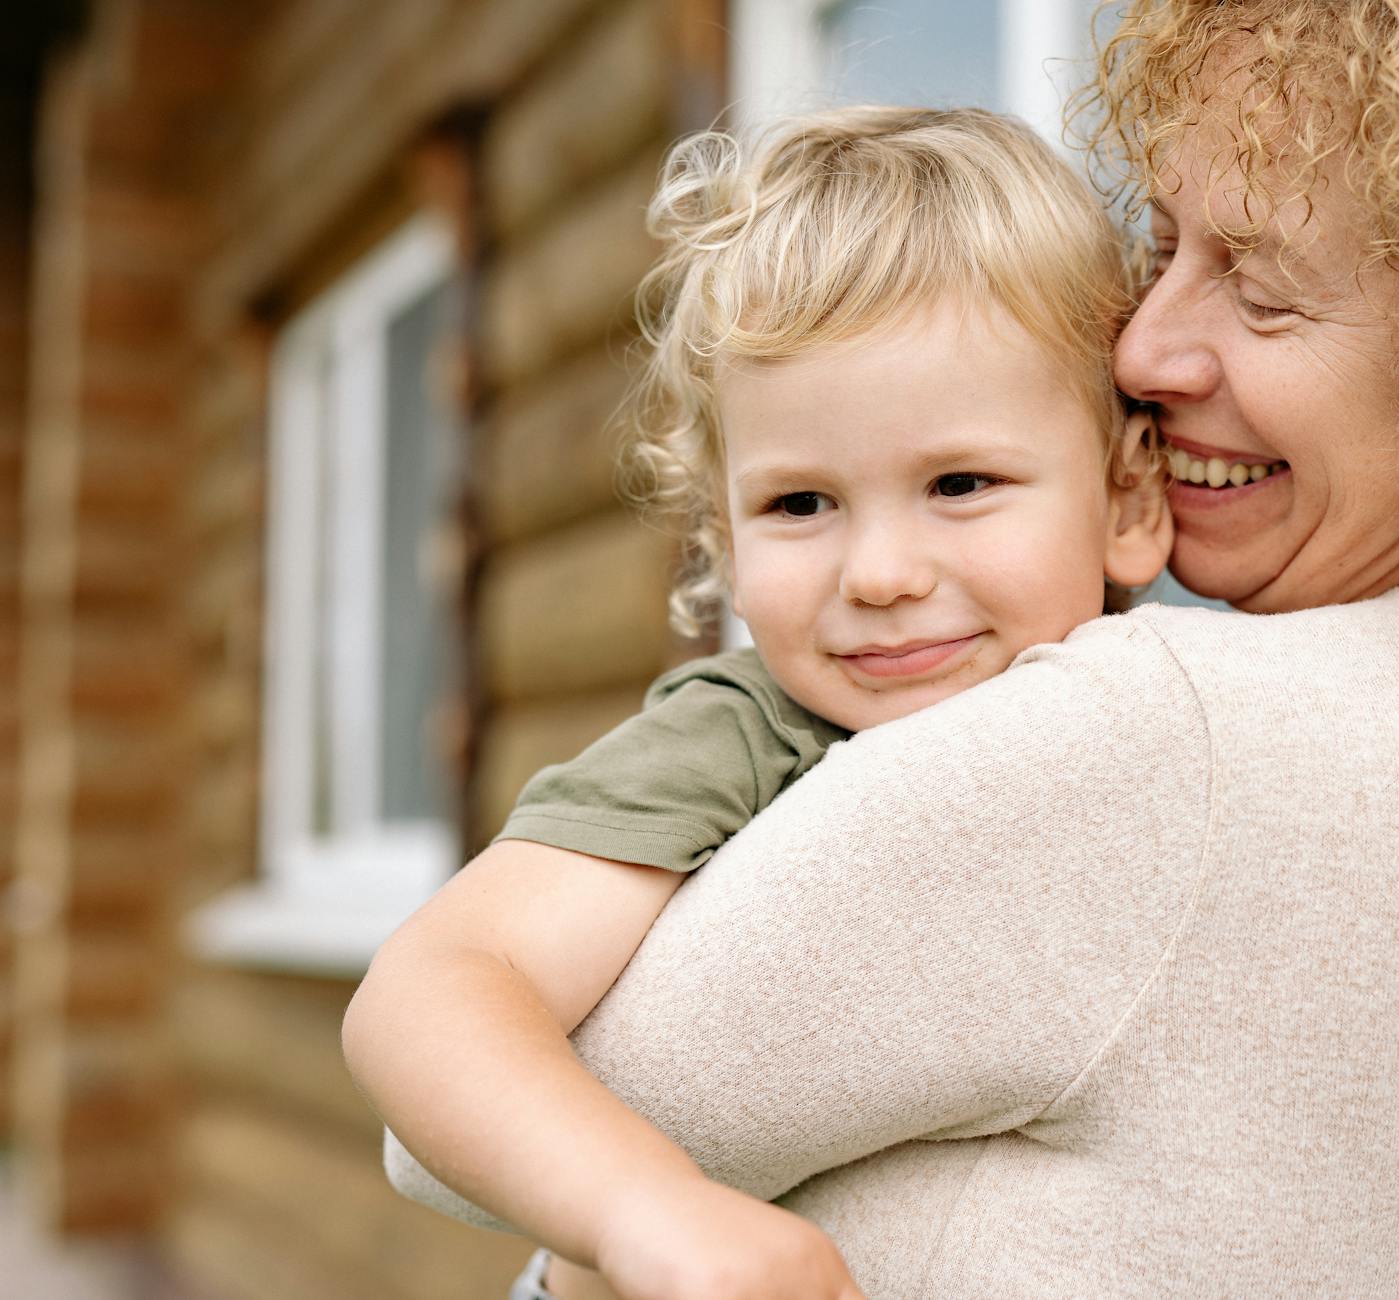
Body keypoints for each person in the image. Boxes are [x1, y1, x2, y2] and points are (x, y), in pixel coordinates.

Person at [345, 2, 1399, 1297]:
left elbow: (453, 1145)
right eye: (1162, 244)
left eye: (1254, 290)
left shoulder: (1156, 740)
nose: (1141, 346)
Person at [346, 105, 1172, 1299]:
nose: (880, 573)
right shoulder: (747, 734)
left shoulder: (1181, 711)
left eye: (960, 482)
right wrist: (648, 1212)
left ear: (1130, 501)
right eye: (799, 505)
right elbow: (427, 990)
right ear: (722, 543)